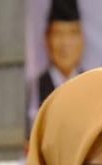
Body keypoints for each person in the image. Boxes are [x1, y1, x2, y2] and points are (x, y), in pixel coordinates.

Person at [30, 0, 86, 130]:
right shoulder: (35, 87)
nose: (65, 43)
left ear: (82, 40)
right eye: (58, 33)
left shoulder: (90, 83)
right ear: (47, 39)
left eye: (72, 33)